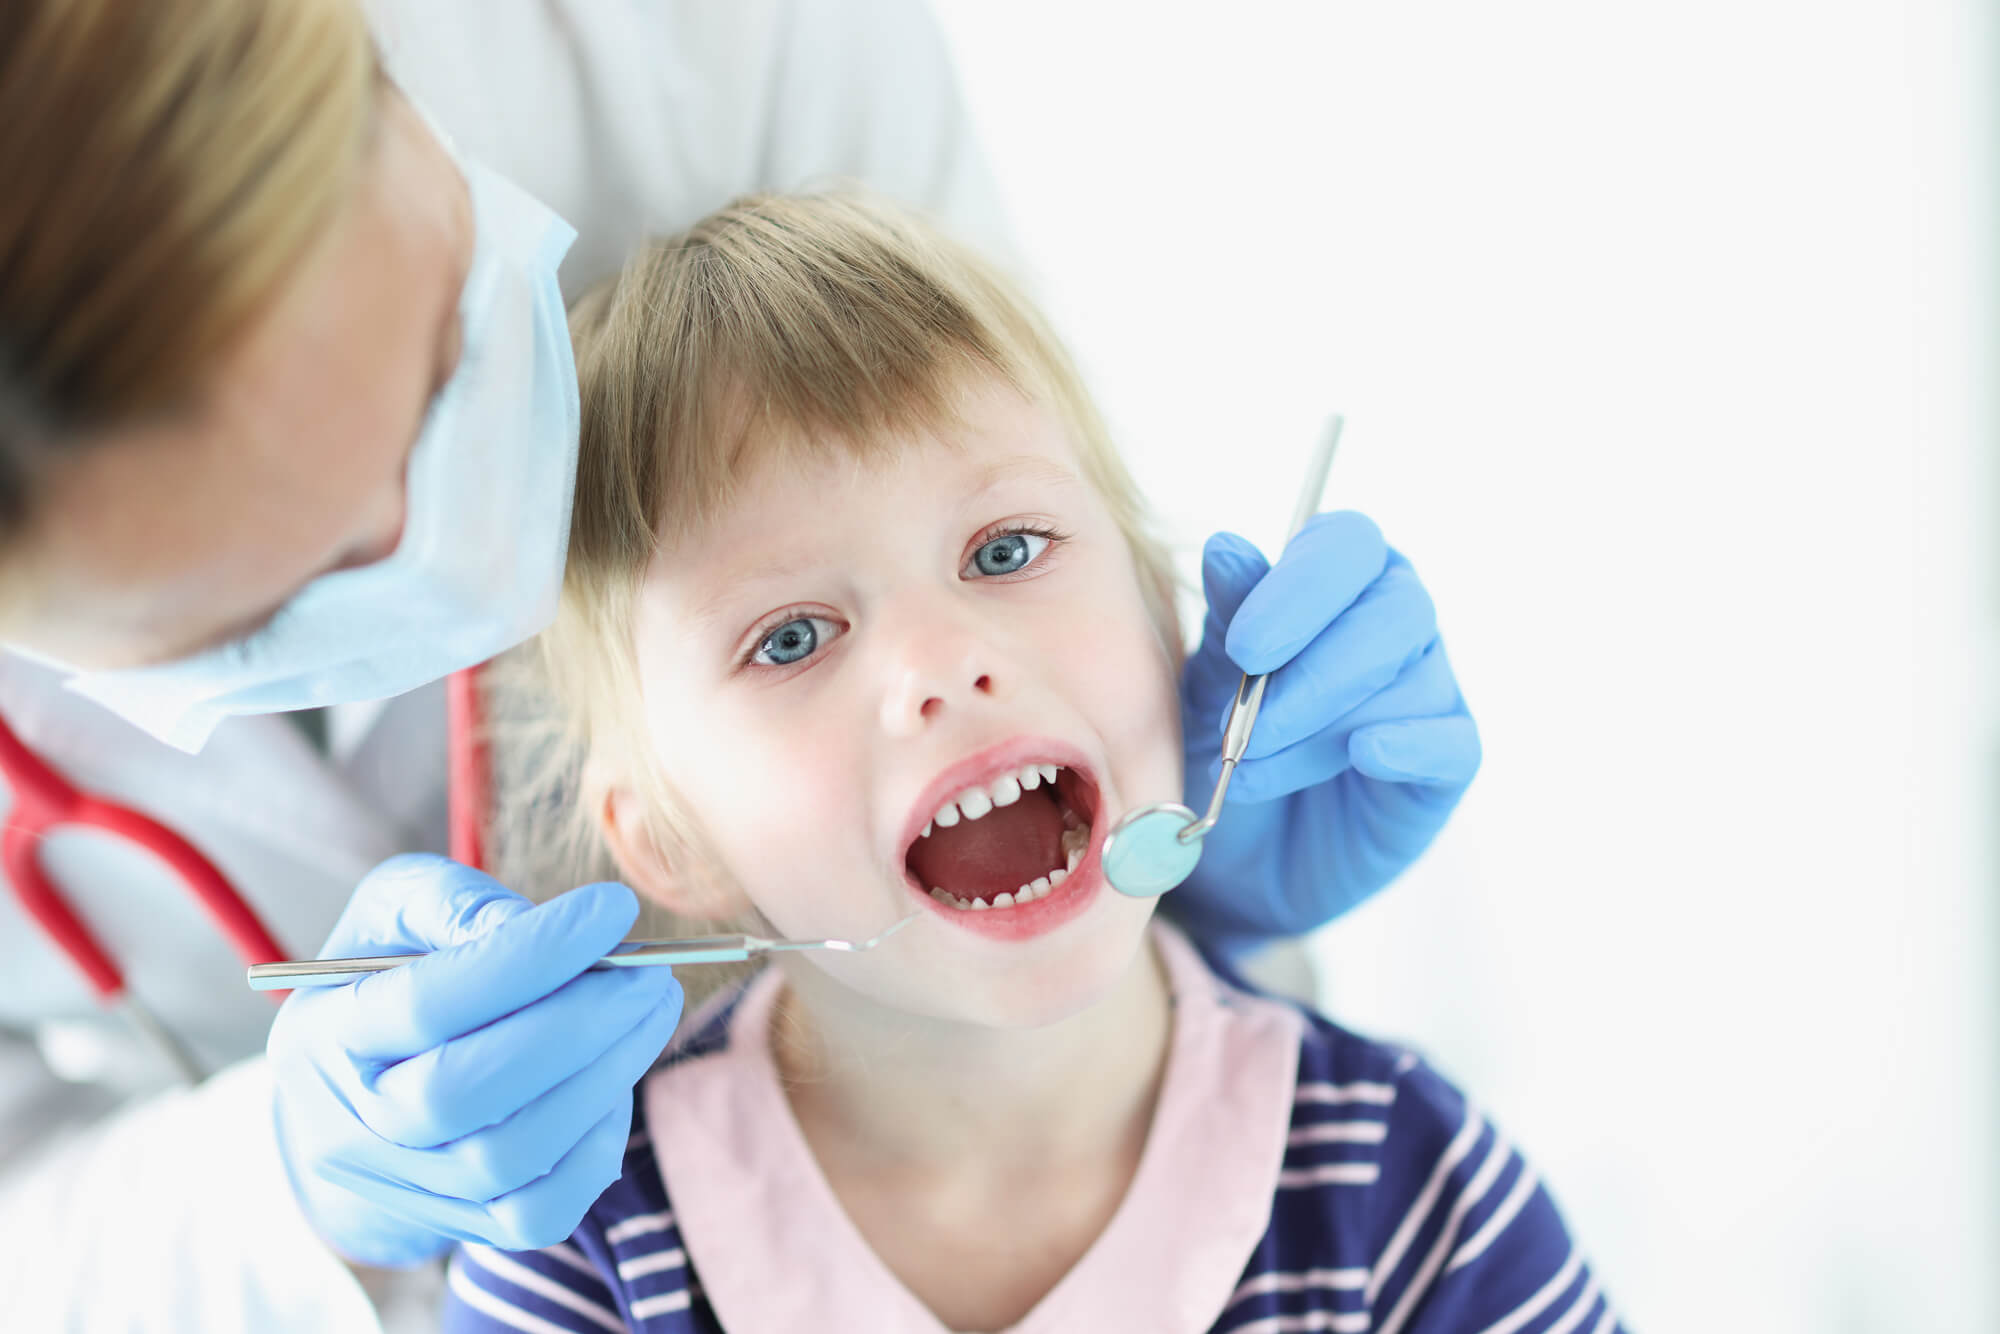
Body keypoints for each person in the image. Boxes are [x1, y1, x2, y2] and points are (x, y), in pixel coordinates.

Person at [0, 1, 1477, 1326]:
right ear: (659, 842)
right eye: (270, 598)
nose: (437, 552)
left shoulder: (1409, 1191)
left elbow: (985, 421)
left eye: (441, 374)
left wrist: (1203, 852)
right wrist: (286, 1191)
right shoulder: (597, 1282)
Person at [438, 191, 1609, 1333]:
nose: (941, 660)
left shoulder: (1418, 1204)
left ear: (1164, 615)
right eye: (789, 636)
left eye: (1004, 548)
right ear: (664, 834)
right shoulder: (582, 1256)